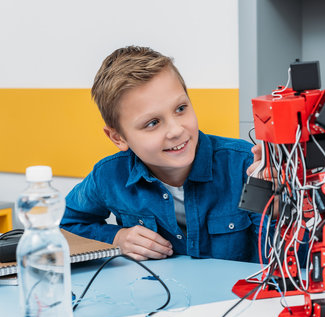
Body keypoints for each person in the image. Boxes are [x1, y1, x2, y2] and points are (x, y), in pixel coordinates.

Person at [61, 46, 266, 262]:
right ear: (118, 138)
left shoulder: (246, 164)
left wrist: (281, 205)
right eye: (152, 123)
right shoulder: (109, 176)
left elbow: (291, 262)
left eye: (180, 109)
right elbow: (64, 226)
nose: (177, 130)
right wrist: (116, 237)